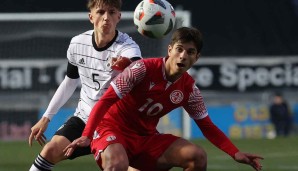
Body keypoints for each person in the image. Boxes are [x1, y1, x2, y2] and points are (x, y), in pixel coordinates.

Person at [64, 27, 264, 171]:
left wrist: (235, 153)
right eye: (179, 49)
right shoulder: (141, 69)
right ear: (170, 50)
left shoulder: (190, 90)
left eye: (190, 52)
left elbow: (207, 125)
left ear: (197, 58)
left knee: (197, 157)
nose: (183, 56)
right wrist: (87, 134)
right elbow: (106, 100)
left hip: (146, 138)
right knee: (117, 165)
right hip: (111, 130)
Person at [28, 0, 142, 170]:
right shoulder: (77, 44)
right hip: (84, 117)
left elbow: (137, 67)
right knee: (50, 150)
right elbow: (70, 81)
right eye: (101, 12)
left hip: (114, 122)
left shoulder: (127, 46)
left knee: (118, 166)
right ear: (91, 17)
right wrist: (46, 119)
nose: (106, 18)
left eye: (111, 12)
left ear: (119, 17)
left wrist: (126, 64)